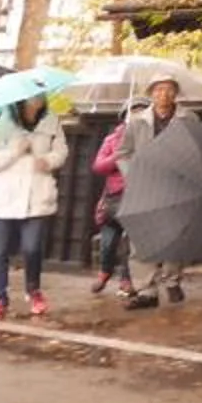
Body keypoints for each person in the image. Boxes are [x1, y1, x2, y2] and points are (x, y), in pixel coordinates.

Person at [0, 95, 69, 319]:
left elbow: (61, 152)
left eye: (39, 97)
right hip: (5, 195)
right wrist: (14, 151)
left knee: (32, 247)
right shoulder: (4, 124)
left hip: (37, 193)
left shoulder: (51, 121)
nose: (35, 101)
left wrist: (47, 160)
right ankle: (0, 298)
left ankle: (33, 289)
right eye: (30, 98)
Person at [114, 76, 195, 309]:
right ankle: (146, 289)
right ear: (151, 93)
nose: (164, 94)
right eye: (159, 90)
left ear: (175, 93)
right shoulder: (137, 121)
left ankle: (172, 279)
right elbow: (123, 152)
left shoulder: (188, 118)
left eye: (169, 90)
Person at [88, 119, 129, 296]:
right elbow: (98, 166)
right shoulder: (112, 140)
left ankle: (127, 279)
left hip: (138, 194)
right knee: (108, 242)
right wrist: (118, 156)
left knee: (132, 244)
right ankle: (105, 271)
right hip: (113, 196)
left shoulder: (148, 139)